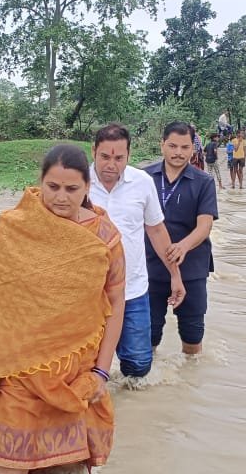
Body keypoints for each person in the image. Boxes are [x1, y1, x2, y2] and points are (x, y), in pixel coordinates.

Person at [0, 144, 126, 473]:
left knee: (67, 467)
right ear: (40, 183)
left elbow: (116, 302)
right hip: (18, 375)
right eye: (53, 187)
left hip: (74, 377)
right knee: (10, 466)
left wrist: (101, 373)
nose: (61, 197)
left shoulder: (104, 237)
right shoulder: (15, 228)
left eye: (71, 189)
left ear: (87, 187)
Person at [88, 124, 185, 380]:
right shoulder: (78, 184)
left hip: (133, 290)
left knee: (138, 365)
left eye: (119, 158)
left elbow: (156, 231)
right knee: (86, 363)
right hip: (87, 293)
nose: (111, 165)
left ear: (128, 156)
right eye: (105, 157)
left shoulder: (141, 182)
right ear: (93, 152)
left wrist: (175, 275)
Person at [145, 122, 219, 356]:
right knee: (148, 333)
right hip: (150, 266)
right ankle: (145, 381)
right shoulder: (144, 178)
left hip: (191, 268)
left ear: (193, 149)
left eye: (184, 147)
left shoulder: (203, 181)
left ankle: (190, 378)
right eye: (172, 146)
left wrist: (183, 246)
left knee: (192, 332)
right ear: (162, 145)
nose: (178, 152)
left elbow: (205, 225)